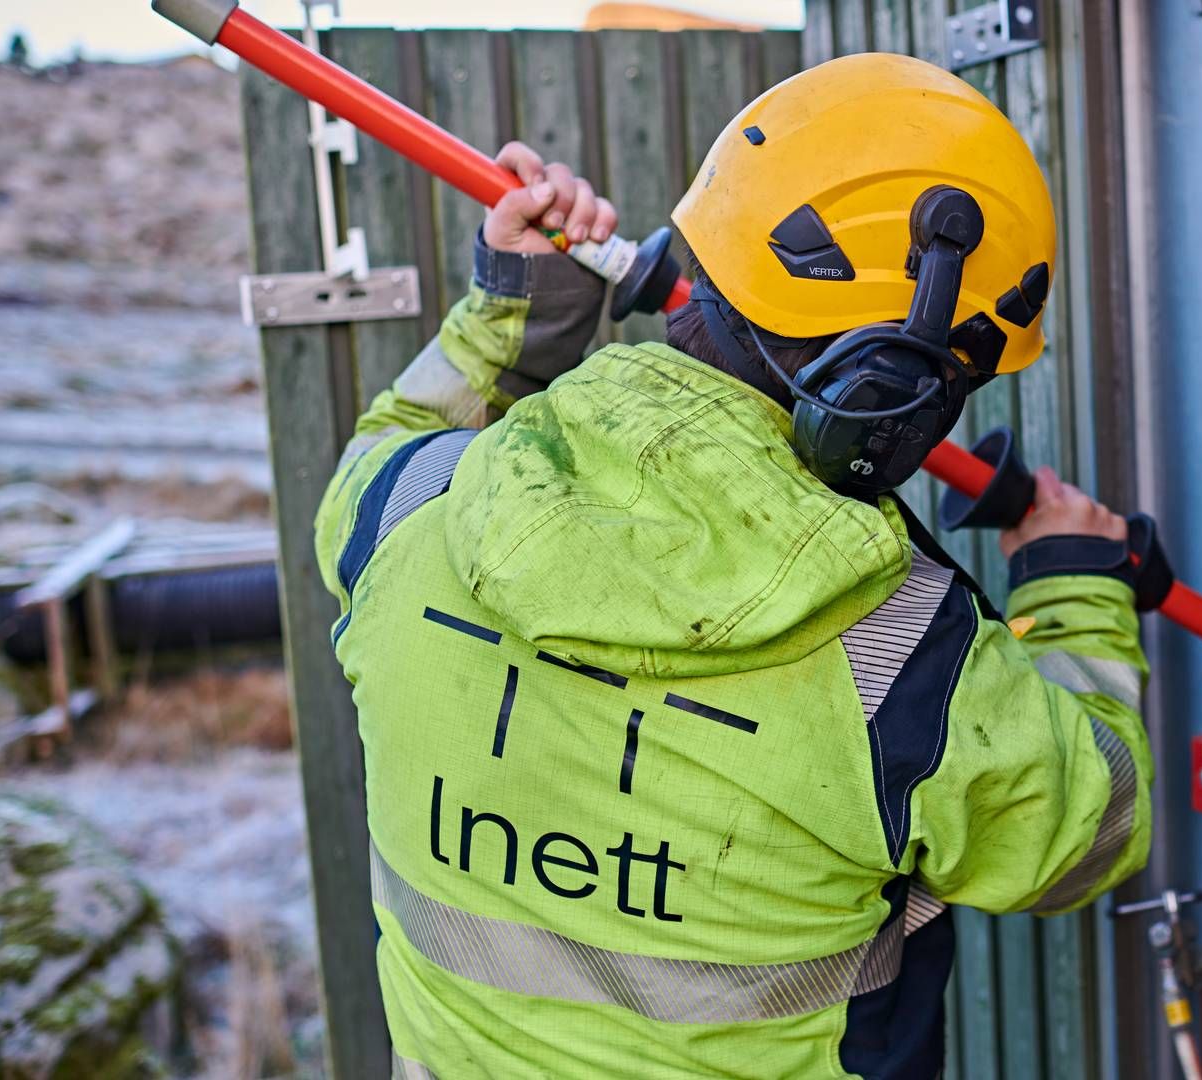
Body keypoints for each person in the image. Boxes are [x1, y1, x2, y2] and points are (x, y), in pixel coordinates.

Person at [315, 53, 1152, 1079]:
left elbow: (389, 435)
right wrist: (1074, 586)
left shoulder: (404, 511)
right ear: (893, 391)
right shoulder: (907, 668)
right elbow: (1091, 830)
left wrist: (513, 316)